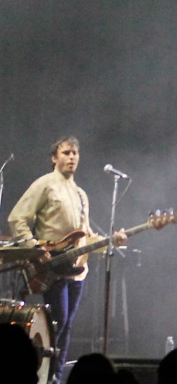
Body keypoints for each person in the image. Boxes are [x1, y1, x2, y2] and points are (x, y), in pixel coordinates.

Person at [7, 136, 128, 384]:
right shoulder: (45, 184)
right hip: (52, 267)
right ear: (54, 158)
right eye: (66, 152)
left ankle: (56, 378)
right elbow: (17, 218)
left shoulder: (81, 194)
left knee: (67, 326)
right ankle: (40, 374)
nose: (72, 157)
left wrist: (109, 241)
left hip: (77, 269)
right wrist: (34, 247)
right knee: (58, 323)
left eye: (75, 153)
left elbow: (85, 235)